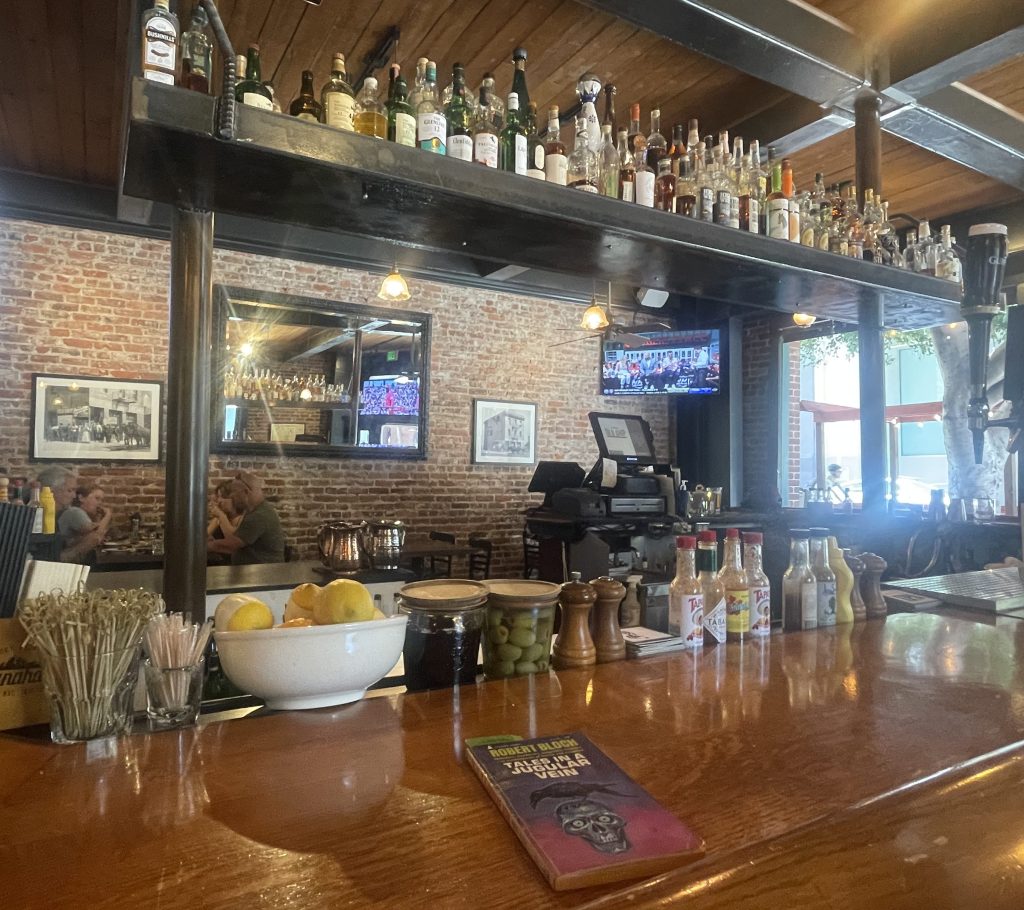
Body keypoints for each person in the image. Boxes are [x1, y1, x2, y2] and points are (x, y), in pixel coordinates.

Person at [206, 471, 285, 565]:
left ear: (246, 492)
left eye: (234, 492)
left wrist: (206, 546)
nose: (231, 496)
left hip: (263, 575)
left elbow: (232, 545)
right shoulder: (254, 511)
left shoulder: (258, 516)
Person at [57, 481, 113, 564]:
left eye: (101, 500)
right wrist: (108, 515)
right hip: (64, 561)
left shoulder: (80, 513)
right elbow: (96, 535)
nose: (100, 503)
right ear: (81, 498)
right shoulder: (75, 512)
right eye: (97, 498)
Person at [207, 480, 244, 566]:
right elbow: (206, 535)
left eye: (223, 497)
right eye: (218, 497)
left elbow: (232, 542)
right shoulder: (221, 517)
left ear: (235, 499)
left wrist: (220, 515)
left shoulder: (243, 518)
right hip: (218, 562)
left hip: (235, 565)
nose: (219, 501)